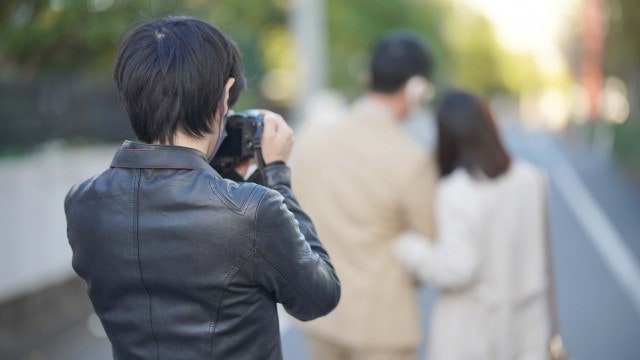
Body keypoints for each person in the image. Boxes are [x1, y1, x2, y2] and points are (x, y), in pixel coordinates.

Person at [64, 16, 340, 360]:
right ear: (224, 96)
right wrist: (277, 175)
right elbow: (320, 296)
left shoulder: (82, 203)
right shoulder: (253, 210)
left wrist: (227, 180)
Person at [291, 30, 438, 360]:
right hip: (383, 323)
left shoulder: (313, 137)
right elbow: (427, 242)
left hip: (322, 313)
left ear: (366, 77)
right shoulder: (411, 158)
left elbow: (295, 212)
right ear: (417, 89)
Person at [393, 90, 552, 360]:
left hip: (472, 335)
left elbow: (457, 269)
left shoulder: (456, 190)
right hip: (527, 330)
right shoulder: (531, 178)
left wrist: (406, 246)